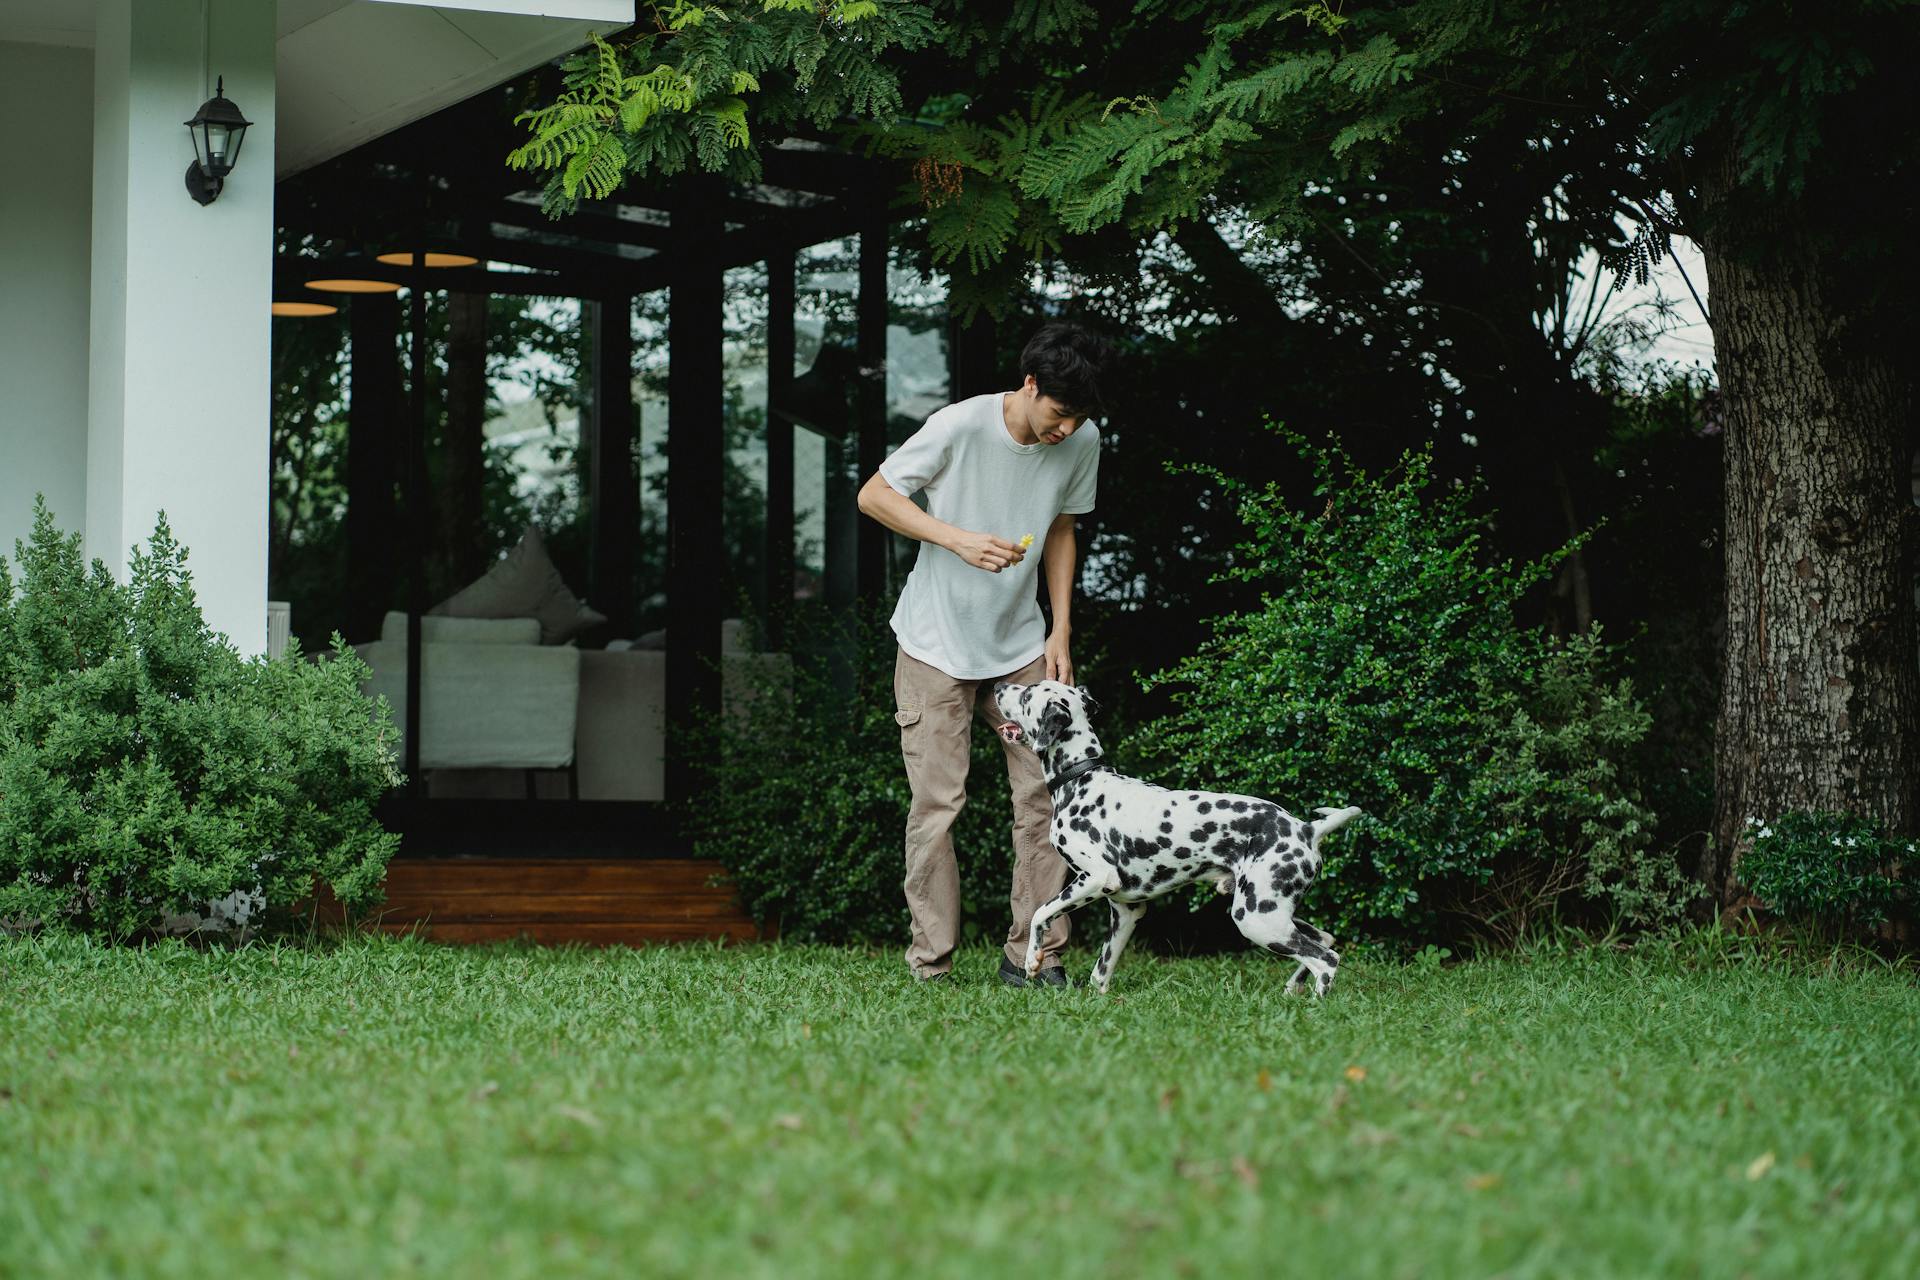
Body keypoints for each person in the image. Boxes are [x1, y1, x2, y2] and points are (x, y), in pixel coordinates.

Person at [856, 321, 1112, 986]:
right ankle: (931, 963)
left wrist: (1060, 630)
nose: (1065, 431)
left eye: (1078, 417)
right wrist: (958, 539)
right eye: (1058, 413)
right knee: (939, 805)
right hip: (935, 645)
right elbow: (875, 495)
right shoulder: (959, 427)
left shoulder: (1082, 438)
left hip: (1022, 646)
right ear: (1029, 385)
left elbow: (1061, 528)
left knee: (1046, 799)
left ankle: (1035, 955)